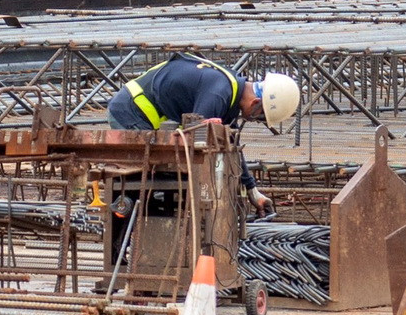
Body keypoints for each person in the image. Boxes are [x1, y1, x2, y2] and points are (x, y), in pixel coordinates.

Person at [106, 53, 301, 216]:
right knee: (145, 184)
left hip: (143, 117)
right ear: (255, 102)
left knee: (160, 182)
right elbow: (194, 138)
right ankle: (125, 234)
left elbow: (231, 143)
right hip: (129, 110)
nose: (255, 119)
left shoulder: (230, 91)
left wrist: (252, 190)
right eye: (260, 115)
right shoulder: (218, 93)